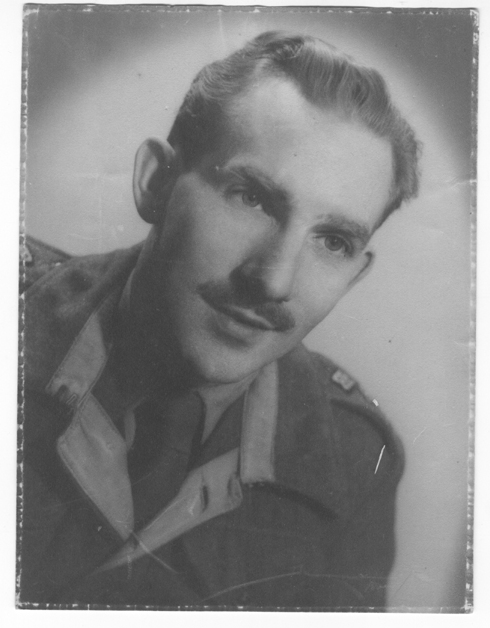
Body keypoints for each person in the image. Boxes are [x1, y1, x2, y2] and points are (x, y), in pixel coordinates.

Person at [17, 31, 419, 610]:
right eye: (251, 198)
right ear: (156, 184)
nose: (274, 280)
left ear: (355, 275)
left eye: (332, 241)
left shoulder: (356, 463)